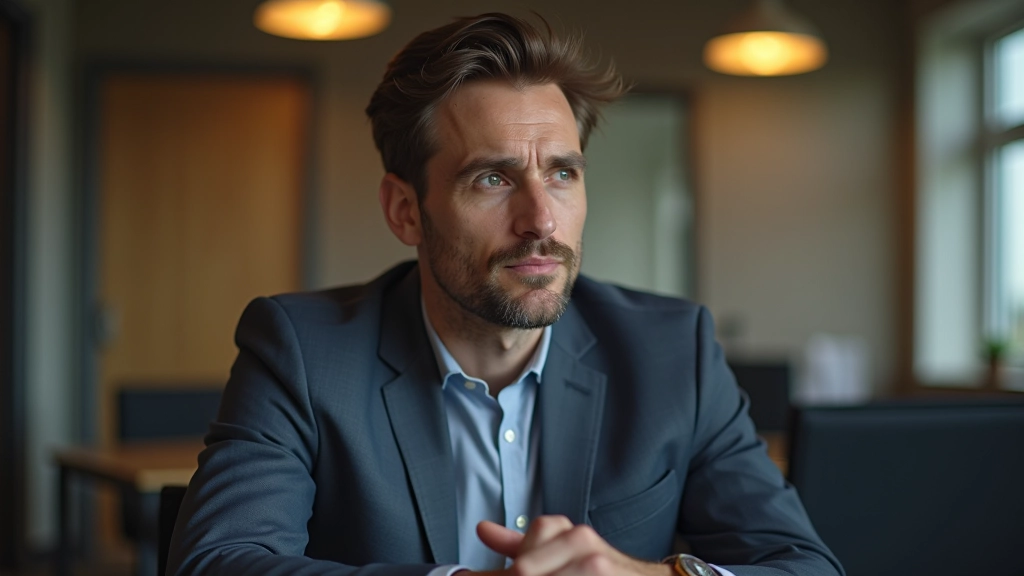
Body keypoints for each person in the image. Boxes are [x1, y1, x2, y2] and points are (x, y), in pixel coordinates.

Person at [166, 12, 843, 576]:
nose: (541, 220)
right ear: (405, 211)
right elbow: (221, 560)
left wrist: (654, 574)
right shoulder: (303, 350)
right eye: (492, 179)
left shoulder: (673, 351)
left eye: (562, 174)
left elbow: (802, 564)